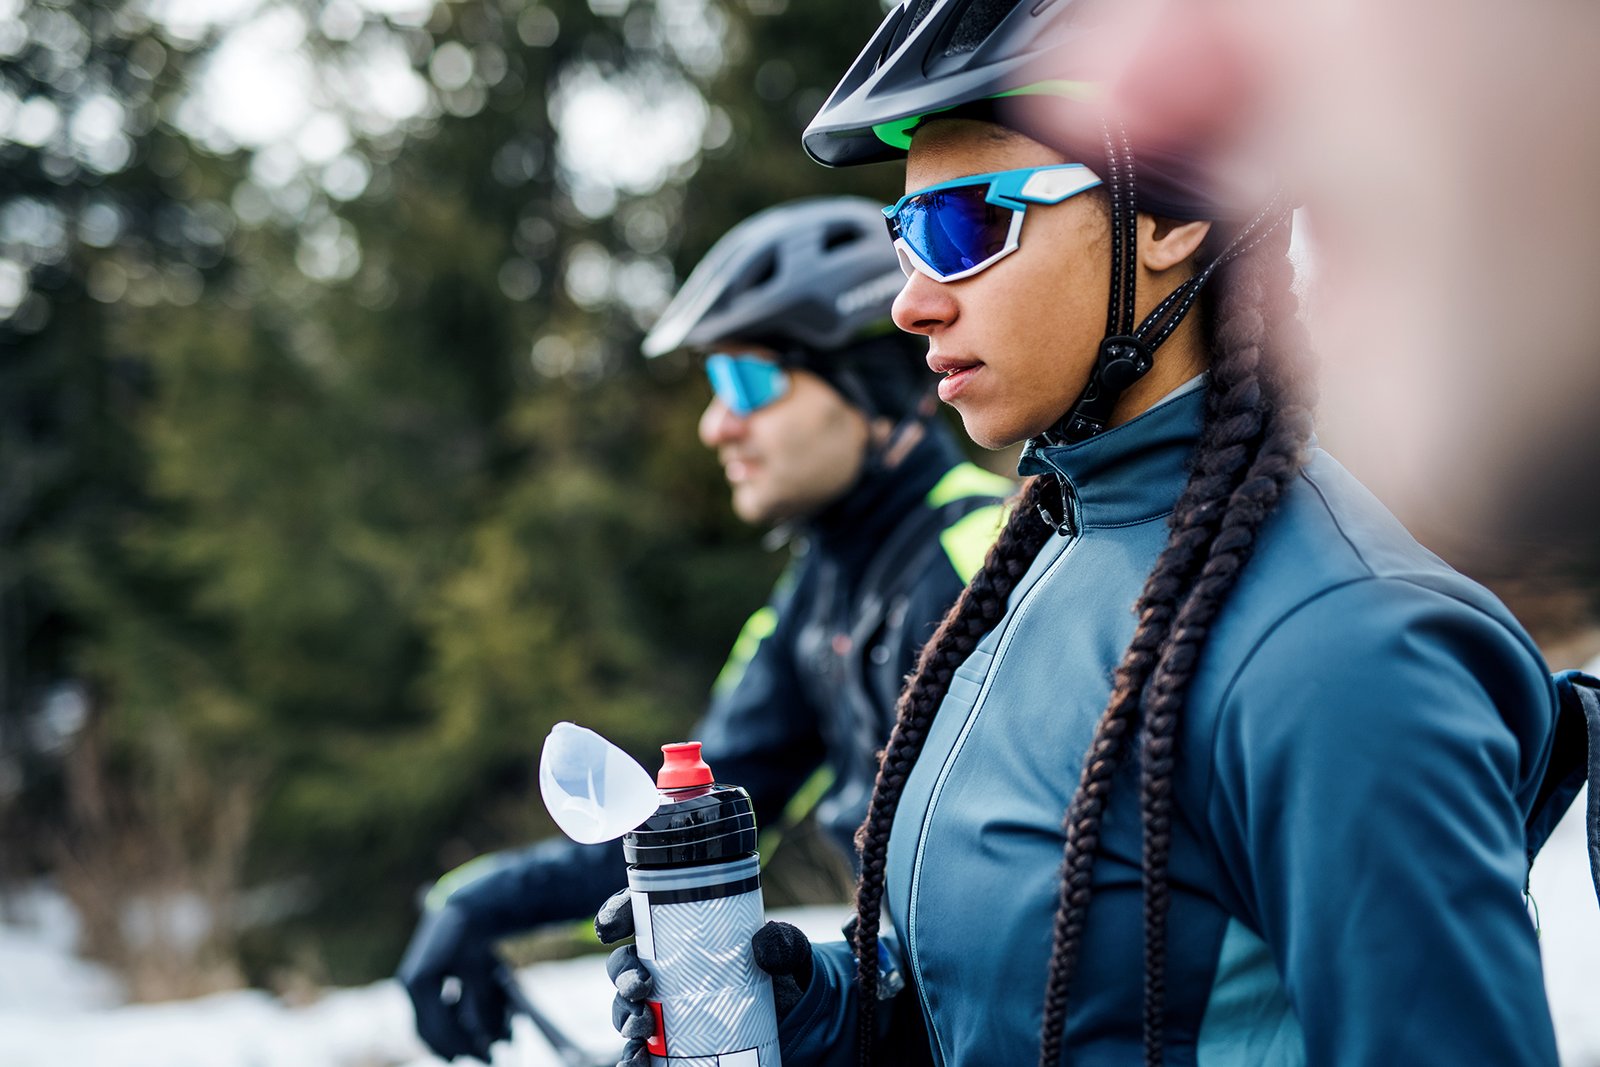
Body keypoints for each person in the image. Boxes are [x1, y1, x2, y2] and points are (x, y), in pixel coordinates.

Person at [598, 2, 1578, 1064]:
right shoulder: (1049, 554)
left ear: (1167, 217)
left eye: (965, 226)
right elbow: (1038, 1005)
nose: (909, 302)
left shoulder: (1339, 655)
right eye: (903, 235)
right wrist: (830, 1009)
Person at [397, 195, 1014, 1064]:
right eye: (712, 386)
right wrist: (477, 898)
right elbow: (685, 822)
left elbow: (1017, 932)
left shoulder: (988, 555)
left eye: (748, 381)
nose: (715, 424)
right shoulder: (818, 591)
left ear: (874, 389)